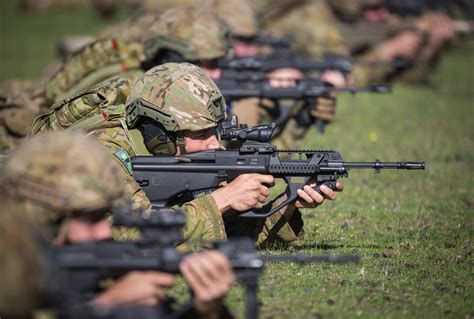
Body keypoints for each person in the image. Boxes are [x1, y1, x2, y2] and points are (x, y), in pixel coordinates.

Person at [30, 63, 343, 248]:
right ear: (160, 133)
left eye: (214, 130)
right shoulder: (101, 154)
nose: (213, 144)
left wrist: (289, 205)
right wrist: (223, 200)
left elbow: (223, 235)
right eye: (199, 133)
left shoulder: (177, 160)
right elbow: (127, 236)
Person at [0, 131, 235, 318]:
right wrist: (103, 307)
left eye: (106, 215)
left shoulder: (94, 278)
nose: (105, 230)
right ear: (38, 220)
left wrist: (206, 311)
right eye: (89, 218)